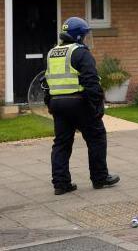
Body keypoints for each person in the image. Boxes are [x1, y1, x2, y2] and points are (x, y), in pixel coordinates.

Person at [44, 17, 119, 195]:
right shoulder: (80, 53)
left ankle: (61, 184)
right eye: (85, 36)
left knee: (61, 143)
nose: (87, 39)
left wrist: (50, 103)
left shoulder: (52, 52)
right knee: (96, 138)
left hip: (58, 104)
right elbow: (91, 81)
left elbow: (46, 81)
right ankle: (100, 178)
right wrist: (97, 105)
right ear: (78, 36)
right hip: (79, 102)